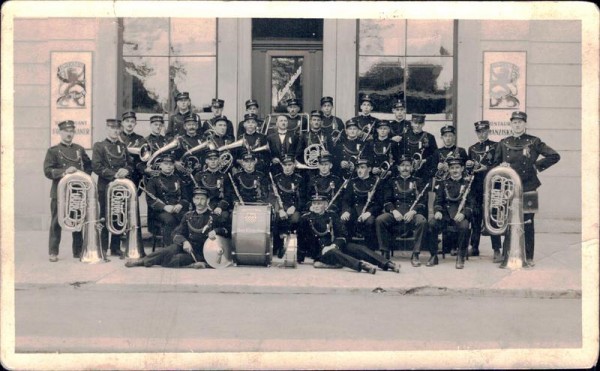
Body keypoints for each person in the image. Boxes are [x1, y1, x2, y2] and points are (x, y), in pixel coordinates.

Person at [493, 111, 560, 267]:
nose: (517, 125)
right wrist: (500, 166)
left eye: (520, 122)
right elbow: (495, 164)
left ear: (525, 124)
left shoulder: (534, 141)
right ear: (511, 124)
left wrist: (536, 167)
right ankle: (507, 255)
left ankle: (528, 256)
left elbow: (554, 156)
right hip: (509, 187)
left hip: (529, 186)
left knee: (528, 222)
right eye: (514, 122)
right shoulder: (503, 142)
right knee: (509, 220)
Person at [126, 187, 229, 268]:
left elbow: (226, 231)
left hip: (200, 251)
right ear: (193, 200)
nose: (199, 202)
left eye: (202, 199)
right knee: (167, 251)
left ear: (208, 200)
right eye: (197, 199)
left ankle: (193, 265)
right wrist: (184, 241)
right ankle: (142, 262)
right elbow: (176, 233)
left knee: (176, 259)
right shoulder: (188, 216)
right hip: (187, 246)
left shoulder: (214, 217)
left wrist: (216, 231)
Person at [298, 194, 398, 273]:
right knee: (334, 253)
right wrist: (303, 256)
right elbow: (302, 240)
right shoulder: (306, 218)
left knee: (359, 248)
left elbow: (342, 234)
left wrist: (335, 245)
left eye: (319, 203)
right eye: (314, 204)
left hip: (335, 245)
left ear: (325, 204)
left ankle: (387, 264)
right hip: (321, 251)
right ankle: (362, 266)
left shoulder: (332, 215)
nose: (316, 206)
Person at [43, 120, 93, 262]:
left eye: (71, 131)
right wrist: (65, 172)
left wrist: (82, 175)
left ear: (74, 133)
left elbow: (89, 166)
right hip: (59, 193)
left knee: (78, 220)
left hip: (77, 192)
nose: (69, 134)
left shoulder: (79, 149)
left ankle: (77, 252)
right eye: (66, 131)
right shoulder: (52, 151)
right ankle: (53, 252)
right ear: (60, 132)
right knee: (55, 223)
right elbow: (47, 171)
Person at [92, 119, 134, 258]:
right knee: (104, 217)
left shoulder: (122, 146)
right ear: (107, 129)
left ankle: (115, 248)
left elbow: (130, 164)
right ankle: (103, 248)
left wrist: (126, 170)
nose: (115, 131)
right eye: (112, 128)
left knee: (118, 215)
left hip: (120, 187)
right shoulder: (99, 146)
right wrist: (114, 174)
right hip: (106, 186)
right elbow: (96, 167)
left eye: (117, 129)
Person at [376, 155, 428, 266]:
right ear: (398, 168)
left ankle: (415, 254)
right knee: (380, 220)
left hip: (412, 213)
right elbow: (387, 200)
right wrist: (394, 211)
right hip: (396, 213)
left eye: (408, 165)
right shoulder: (391, 181)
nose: (405, 168)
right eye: (402, 165)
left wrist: (413, 211)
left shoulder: (418, 181)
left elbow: (422, 201)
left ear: (412, 168)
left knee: (422, 221)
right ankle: (385, 252)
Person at [428, 157, 475, 269]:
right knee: (431, 224)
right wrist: (438, 211)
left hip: (460, 214)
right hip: (445, 215)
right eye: (452, 168)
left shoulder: (468, 183)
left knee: (464, 226)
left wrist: (464, 214)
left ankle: (460, 256)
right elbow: (438, 201)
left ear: (462, 168)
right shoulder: (443, 183)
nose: (455, 170)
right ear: (448, 169)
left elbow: (472, 204)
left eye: (457, 168)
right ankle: (433, 255)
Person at [467, 120, 502, 261]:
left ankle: (496, 250)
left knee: (493, 217)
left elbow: (498, 165)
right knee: (476, 217)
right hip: (476, 187)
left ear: (488, 131)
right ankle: (474, 247)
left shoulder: (496, 146)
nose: (481, 134)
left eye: (484, 132)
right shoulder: (472, 148)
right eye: (479, 132)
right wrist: (469, 166)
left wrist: (485, 168)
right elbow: (469, 170)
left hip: (491, 186)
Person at [144, 155, 190, 245]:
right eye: (165, 164)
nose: (168, 166)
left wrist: (180, 205)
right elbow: (150, 200)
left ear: (173, 166)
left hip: (177, 209)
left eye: (171, 164)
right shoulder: (153, 180)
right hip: (160, 212)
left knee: (187, 217)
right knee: (170, 220)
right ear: (160, 166)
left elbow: (185, 198)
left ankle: (184, 245)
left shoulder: (177, 179)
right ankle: (169, 247)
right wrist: (165, 207)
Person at [340, 158, 382, 251]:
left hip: (369, 211)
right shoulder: (352, 182)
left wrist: (369, 213)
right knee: (344, 220)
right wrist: (346, 211)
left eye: (362, 167)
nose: (359, 170)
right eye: (358, 168)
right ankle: (347, 250)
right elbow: (346, 200)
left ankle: (370, 252)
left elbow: (379, 203)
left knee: (370, 222)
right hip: (355, 210)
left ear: (369, 169)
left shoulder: (376, 182)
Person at [271, 155, 306, 257]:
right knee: (276, 217)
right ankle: (277, 247)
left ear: (294, 165)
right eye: (284, 165)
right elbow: (272, 197)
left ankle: (293, 247)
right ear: (281, 166)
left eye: (289, 165)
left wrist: (294, 207)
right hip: (280, 207)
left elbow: (303, 198)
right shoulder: (276, 178)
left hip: (293, 207)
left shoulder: (299, 179)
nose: (287, 167)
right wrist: (280, 209)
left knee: (296, 219)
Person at [193, 149, 233, 229]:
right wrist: (205, 207)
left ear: (219, 160)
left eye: (215, 159)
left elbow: (228, 194)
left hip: (220, 206)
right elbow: (197, 194)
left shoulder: (225, 176)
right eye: (210, 159)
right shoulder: (199, 176)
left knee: (224, 217)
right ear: (206, 161)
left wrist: (220, 207)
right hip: (204, 206)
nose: (213, 161)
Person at [174, 116, 205, 201]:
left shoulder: (202, 139)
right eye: (189, 125)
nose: (191, 127)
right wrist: (176, 162)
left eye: (193, 124)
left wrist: (201, 164)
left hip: (199, 174)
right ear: (185, 127)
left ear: (197, 126)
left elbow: (206, 155)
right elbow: (174, 156)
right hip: (184, 175)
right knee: (185, 199)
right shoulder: (180, 140)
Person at [400, 113, 438, 181]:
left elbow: (435, 154)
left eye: (420, 123)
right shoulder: (405, 136)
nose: (417, 126)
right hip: (408, 170)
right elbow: (400, 153)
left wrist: (425, 160)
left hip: (424, 170)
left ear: (423, 124)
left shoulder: (429, 137)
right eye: (415, 123)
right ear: (411, 123)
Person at [119, 111, 145, 187]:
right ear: (122, 123)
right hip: (119, 174)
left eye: (132, 122)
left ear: (135, 124)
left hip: (134, 175)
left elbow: (142, 160)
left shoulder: (141, 139)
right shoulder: (116, 138)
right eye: (127, 121)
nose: (129, 124)